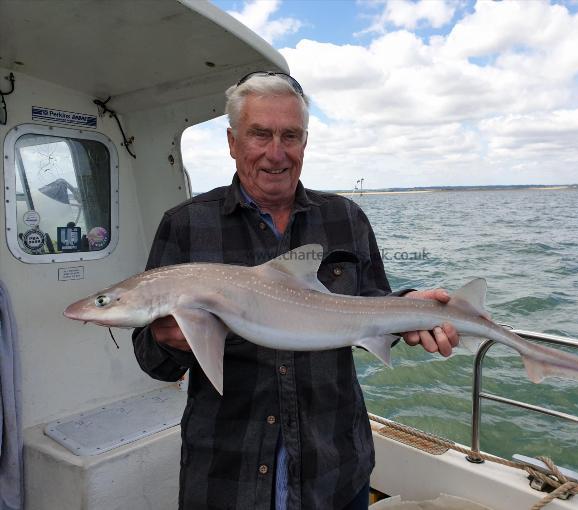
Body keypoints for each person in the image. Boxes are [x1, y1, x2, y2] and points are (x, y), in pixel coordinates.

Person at [132, 71, 458, 510]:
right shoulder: (186, 224)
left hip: (335, 469)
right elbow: (155, 366)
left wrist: (410, 311)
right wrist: (167, 339)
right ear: (232, 142)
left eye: (290, 136)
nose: (276, 153)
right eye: (260, 135)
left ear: (305, 142)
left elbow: (373, 309)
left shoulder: (346, 218)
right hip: (227, 476)